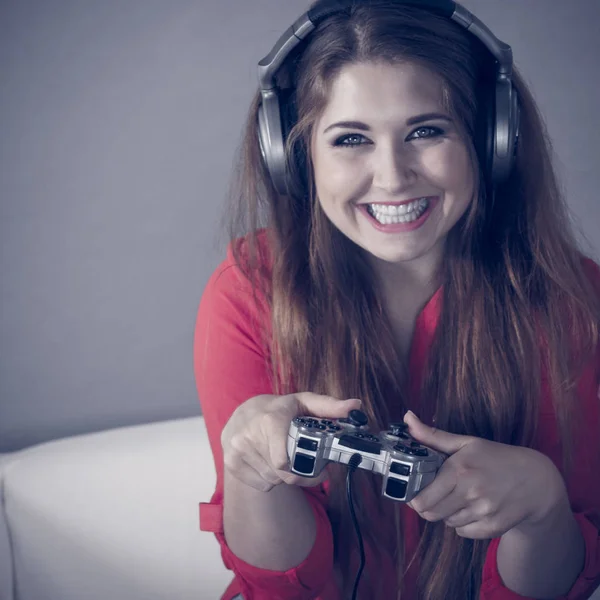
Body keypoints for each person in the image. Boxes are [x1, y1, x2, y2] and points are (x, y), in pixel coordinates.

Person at [193, 1, 600, 598]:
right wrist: (252, 474)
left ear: (492, 140)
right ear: (296, 159)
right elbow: (274, 587)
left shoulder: (574, 300)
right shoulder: (249, 291)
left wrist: (542, 508)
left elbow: (558, 586)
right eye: (351, 139)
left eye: (426, 131)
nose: (391, 177)